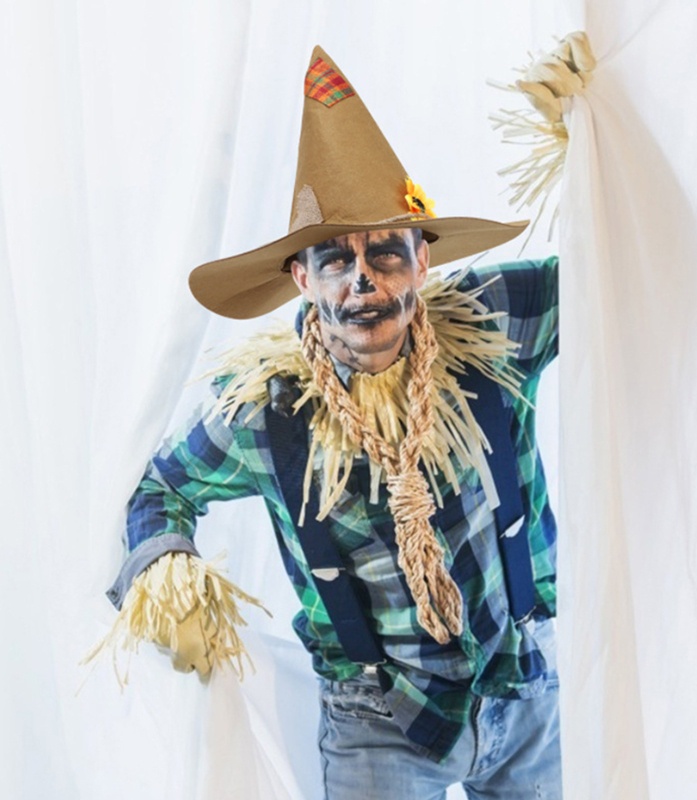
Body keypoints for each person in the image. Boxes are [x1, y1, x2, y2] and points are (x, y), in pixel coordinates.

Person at [104, 45, 563, 799]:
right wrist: (166, 572)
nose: (363, 283)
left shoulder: (495, 325)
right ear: (302, 279)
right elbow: (160, 489)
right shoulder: (264, 408)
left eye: (385, 253)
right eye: (335, 262)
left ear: (422, 261)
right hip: (377, 719)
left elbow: (621, 272)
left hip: (523, 684)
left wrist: (593, 136)